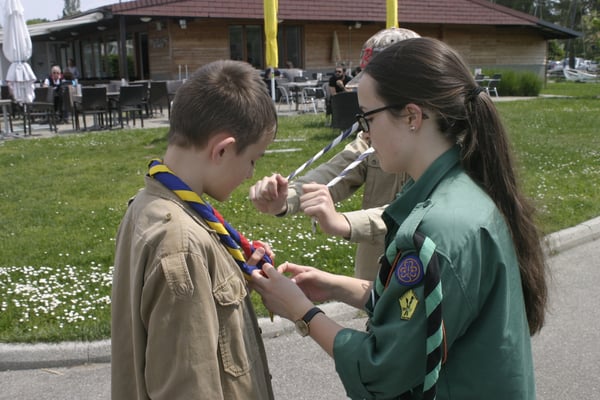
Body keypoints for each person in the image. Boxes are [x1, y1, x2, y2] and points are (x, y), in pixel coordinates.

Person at [250, 37, 548, 399]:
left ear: (411, 117)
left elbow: (381, 370)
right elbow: (426, 313)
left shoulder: (438, 231)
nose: (365, 132)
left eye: (368, 117)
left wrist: (301, 311)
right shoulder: (463, 191)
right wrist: (333, 286)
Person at [111, 60, 278, 399]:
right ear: (222, 150)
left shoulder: (149, 204)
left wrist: (235, 273)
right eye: (252, 159)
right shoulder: (181, 245)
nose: (250, 173)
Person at [249, 28, 420, 280]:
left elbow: (418, 212)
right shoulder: (372, 137)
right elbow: (335, 172)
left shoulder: (442, 147)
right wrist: (286, 199)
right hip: (375, 275)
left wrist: (343, 222)